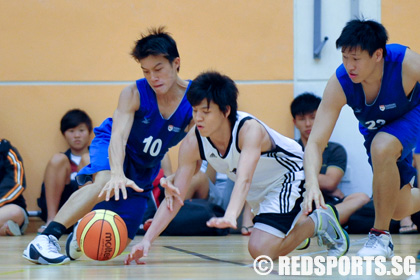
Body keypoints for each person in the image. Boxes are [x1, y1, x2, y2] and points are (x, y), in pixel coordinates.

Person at [122, 71, 349, 265]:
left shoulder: (248, 130)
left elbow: (244, 178)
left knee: (261, 250)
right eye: (195, 111)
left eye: (206, 112)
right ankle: (299, 228)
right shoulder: (193, 141)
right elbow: (175, 197)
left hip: (289, 176)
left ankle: (320, 220)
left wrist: (231, 214)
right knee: (267, 244)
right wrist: (147, 240)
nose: (198, 118)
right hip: (258, 188)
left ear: (226, 110)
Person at [23, 26, 194, 265]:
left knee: (117, 239)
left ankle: (80, 233)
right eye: (146, 71)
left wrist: (174, 177)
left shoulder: (195, 100)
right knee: (104, 182)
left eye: (158, 69)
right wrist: (116, 173)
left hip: (145, 166)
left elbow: (196, 150)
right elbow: (119, 137)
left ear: (176, 63)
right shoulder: (133, 92)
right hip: (113, 146)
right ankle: (46, 239)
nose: (152, 78)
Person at [302, 19, 420, 259]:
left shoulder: (405, 62)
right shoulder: (340, 83)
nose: (349, 65)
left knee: (382, 145)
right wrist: (311, 183)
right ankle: (385, 224)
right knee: (397, 208)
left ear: (378, 55)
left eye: (355, 59)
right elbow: (315, 142)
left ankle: (379, 237)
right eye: (344, 57)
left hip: (412, 114)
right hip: (379, 130)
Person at [291, 92, 370, 225]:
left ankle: (317, 222)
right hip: (298, 202)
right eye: (302, 119)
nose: (308, 124)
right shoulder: (291, 149)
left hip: (328, 204)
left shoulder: (334, 150)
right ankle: (321, 223)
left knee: (361, 197)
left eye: (313, 117)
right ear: (295, 122)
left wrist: (297, 174)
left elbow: (330, 183)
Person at [37, 109, 92, 233]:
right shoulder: (62, 161)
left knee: (87, 159)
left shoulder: (95, 158)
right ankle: (51, 221)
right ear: (64, 134)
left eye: (81, 130)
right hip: (61, 211)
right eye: (71, 131)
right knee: (58, 159)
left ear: (89, 132)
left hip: (88, 213)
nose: (77, 135)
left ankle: (86, 223)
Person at [0, 139, 29, 236]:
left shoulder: (6, 151)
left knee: (15, 212)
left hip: (6, 208)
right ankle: (3, 230)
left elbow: (17, 184)